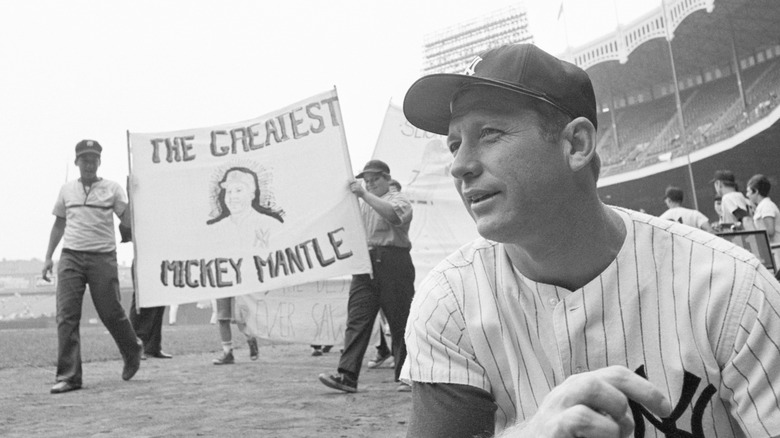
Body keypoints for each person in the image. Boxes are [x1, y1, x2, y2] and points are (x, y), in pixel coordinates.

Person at [400, 44, 780, 437]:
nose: (460, 165)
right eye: (454, 144)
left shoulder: (733, 289)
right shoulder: (450, 302)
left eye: (489, 134)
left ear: (576, 144)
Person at [42, 140, 143, 394]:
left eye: (93, 159)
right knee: (66, 315)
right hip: (71, 256)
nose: (89, 164)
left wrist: (132, 198)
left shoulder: (112, 189)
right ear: (77, 162)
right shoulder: (67, 190)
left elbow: (128, 223)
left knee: (111, 311)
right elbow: (59, 225)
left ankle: (132, 350)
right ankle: (69, 376)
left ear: (99, 162)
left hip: (102, 256)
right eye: (84, 159)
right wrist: (48, 257)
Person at [318, 160, 415, 393]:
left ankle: (408, 375)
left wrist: (362, 193)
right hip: (366, 263)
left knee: (400, 321)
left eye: (375, 179)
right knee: (357, 320)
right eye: (367, 180)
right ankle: (347, 375)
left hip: (393, 262)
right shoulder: (361, 204)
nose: (369, 184)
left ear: (387, 179)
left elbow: (393, 215)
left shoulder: (398, 199)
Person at [207, 167, 284, 251]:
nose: (232, 197)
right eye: (229, 191)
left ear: (251, 195)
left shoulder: (270, 225)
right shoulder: (216, 229)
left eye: (238, 190)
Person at [212, 297, 259, 365]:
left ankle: (251, 339)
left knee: (239, 316)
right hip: (221, 289)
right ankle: (227, 353)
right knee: (222, 318)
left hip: (236, 290)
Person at [747, 173, 780, 265]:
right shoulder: (761, 207)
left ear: (756, 191)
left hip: (777, 251)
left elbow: (770, 231)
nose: (747, 195)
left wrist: (751, 227)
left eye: (749, 191)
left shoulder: (766, 206)